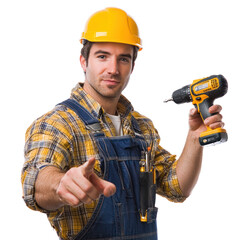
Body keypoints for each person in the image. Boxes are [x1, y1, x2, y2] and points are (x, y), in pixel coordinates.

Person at [21, 7, 225, 240]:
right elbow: (35, 182)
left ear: (132, 66)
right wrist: (61, 184)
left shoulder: (141, 126)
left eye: (123, 59)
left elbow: (177, 188)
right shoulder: (57, 123)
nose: (113, 69)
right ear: (83, 61)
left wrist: (194, 139)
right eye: (102, 56)